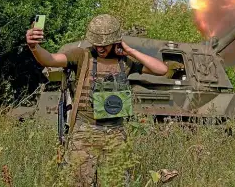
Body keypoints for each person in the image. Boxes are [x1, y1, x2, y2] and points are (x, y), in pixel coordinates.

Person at [26, 14, 168, 186]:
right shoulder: (81, 56)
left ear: (115, 41)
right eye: (97, 43)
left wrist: (130, 51)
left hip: (116, 134)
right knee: (77, 182)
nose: (100, 47)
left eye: (105, 44)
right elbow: (49, 59)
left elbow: (161, 70)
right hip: (84, 132)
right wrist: (34, 47)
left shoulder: (126, 62)